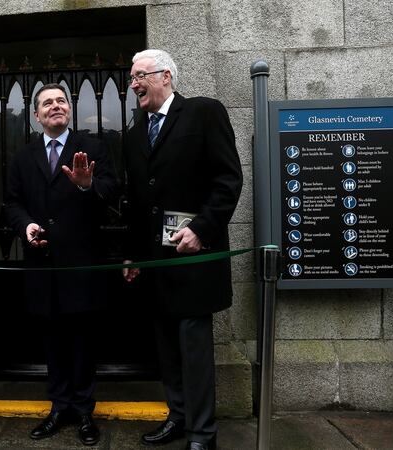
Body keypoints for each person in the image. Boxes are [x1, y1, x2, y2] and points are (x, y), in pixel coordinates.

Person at [121, 49, 243, 450]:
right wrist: (134, 254)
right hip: (156, 265)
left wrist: (202, 230)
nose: (133, 83)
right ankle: (178, 417)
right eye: (132, 77)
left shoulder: (204, 112)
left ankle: (203, 434)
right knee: (167, 352)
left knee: (193, 351)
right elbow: (138, 201)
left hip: (194, 259)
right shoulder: (134, 131)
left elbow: (228, 180)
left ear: (166, 76)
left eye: (140, 75)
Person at [4, 83, 119, 446]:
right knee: (52, 341)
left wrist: (87, 186)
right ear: (36, 115)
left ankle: (85, 411)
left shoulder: (95, 147)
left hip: (82, 265)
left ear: (69, 109)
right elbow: (12, 202)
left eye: (61, 101)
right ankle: (59, 407)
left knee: (83, 340)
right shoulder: (23, 156)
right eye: (47, 103)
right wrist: (26, 226)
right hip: (41, 264)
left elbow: (114, 190)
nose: (55, 107)